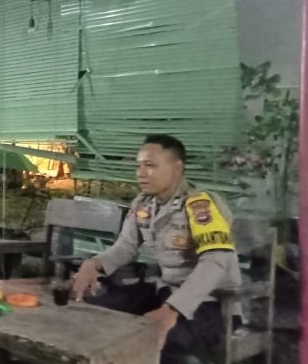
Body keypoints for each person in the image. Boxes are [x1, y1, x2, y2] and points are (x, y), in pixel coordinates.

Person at [72, 134, 242, 364]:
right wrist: (93, 264)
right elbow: (126, 246)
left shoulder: (200, 205)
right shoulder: (144, 203)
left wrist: (173, 310)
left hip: (211, 304)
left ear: (177, 168)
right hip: (165, 292)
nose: (141, 173)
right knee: (95, 316)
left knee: (155, 340)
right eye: (138, 166)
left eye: (150, 165)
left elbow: (216, 261)